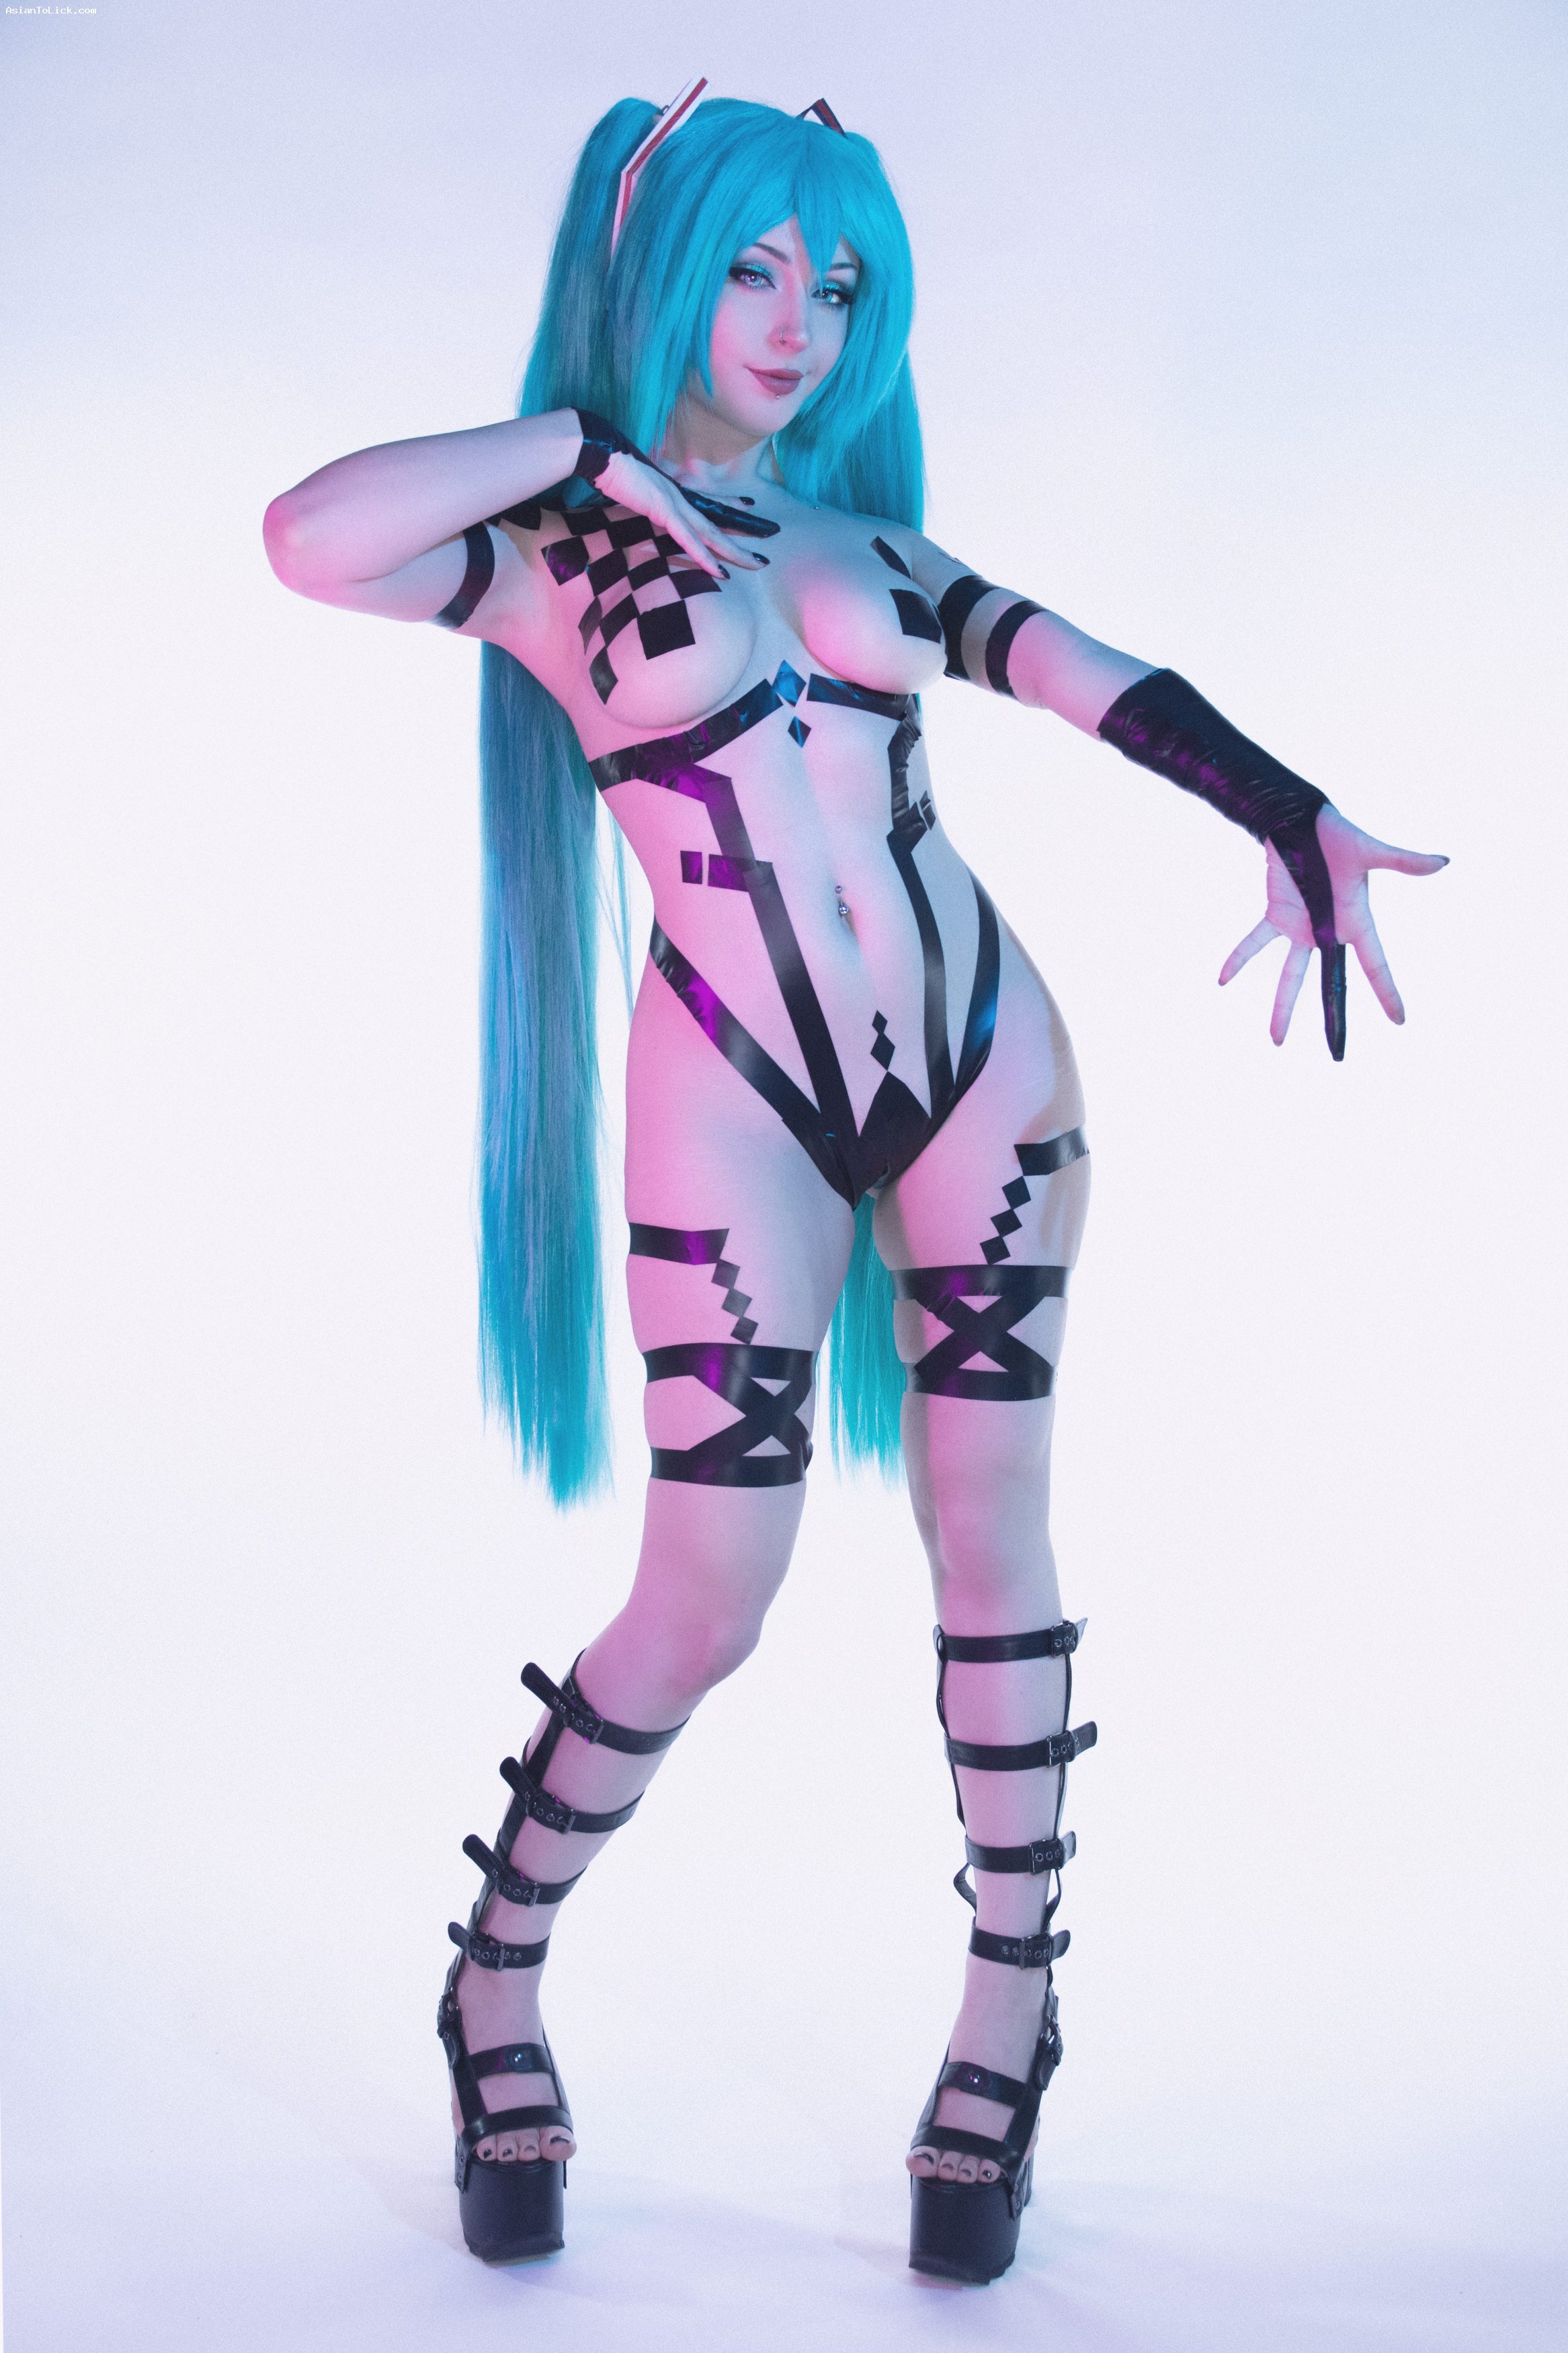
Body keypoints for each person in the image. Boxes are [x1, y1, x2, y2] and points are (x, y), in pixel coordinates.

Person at [262, 87, 1446, 2286]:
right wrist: (581, 438)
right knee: (709, 1590)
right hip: (734, 1092)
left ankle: (1008, 2021)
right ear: (660, 261)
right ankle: (494, 1972)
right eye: (753, 266)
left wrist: (1290, 812)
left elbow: (1093, 678)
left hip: (988, 1067)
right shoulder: (556, 559)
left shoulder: (871, 556)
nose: (800, 320)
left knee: (994, 1536)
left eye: (839, 280)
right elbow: (309, 535)